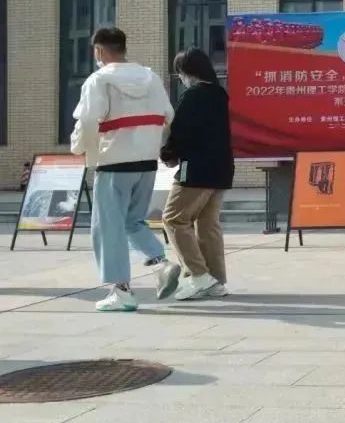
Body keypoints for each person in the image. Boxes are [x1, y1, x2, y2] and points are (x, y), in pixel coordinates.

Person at [70, 28, 178, 312]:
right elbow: (168, 115)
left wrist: (80, 147)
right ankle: (161, 263)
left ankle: (121, 291)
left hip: (113, 162)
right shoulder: (151, 78)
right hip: (146, 163)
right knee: (133, 221)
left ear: (99, 51)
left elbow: (88, 120)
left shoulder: (99, 80)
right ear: (123, 47)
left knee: (108, 227)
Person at [159, 48, 233, 301]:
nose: (180, 78)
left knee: (173, 218)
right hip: (221, 168)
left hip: (197, 168)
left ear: (187, 72)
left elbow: (180, 131)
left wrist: (167, 155)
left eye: (179, 73)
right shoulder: (219, 94)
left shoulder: (192, 96)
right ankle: (216, 281)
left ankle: (199, 276)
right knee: (207, 224)